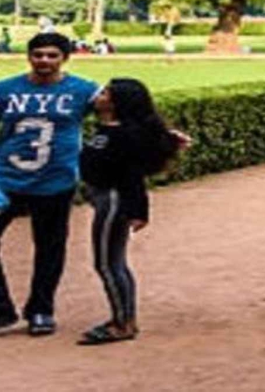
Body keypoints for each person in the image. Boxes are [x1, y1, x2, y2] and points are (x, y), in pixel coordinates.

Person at [0, 31, 100, 339]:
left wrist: (160, 136)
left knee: (50, 248)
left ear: (65, 58)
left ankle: (41, 309)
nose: (44, 61)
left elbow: (124, 113)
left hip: (56, 181)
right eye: (38, 55)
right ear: (29, 56)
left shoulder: (83, 90)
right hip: (5, 180)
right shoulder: (4, 90)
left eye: (52, 56)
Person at [77, 78, 185, 345]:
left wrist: (138, 211)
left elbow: (132, 177)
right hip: (104, 198)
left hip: (114, 202)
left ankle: (122, 323)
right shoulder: (108, 127)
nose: (97, 96)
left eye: (104, 93)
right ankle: (124, 318)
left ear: (115, 102)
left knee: (107, 264)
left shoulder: (124, 135)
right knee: (113, 263)